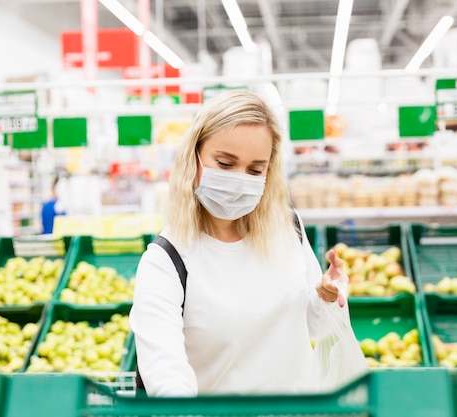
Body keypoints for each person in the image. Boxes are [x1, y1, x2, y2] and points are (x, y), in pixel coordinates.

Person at [129, 90, 351, 397]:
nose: (239, 180)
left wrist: (326, 296)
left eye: (255, 170)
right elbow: (166, 376)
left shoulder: (287, 227)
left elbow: (308, 324)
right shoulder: (166, 262)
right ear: (193, 156)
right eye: (224, 163)